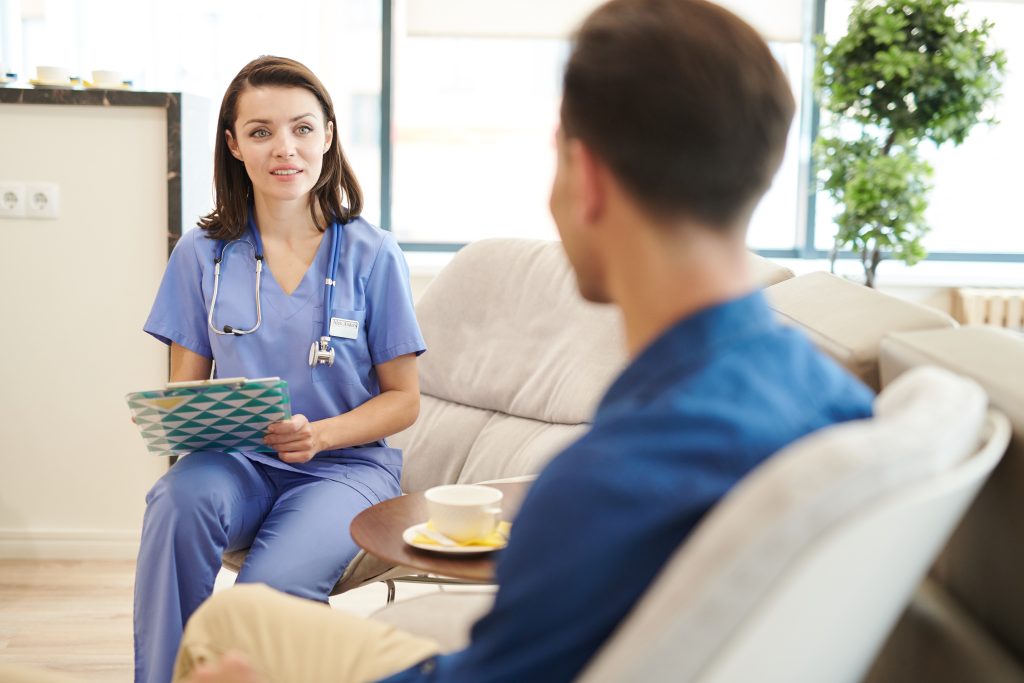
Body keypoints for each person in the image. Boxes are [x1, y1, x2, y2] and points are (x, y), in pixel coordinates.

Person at [172, 1, 876, 681]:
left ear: (589, 179)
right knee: (231, 624)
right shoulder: (836, 402)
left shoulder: (603, 479)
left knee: (225, 639)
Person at [134, 56, 425, 683]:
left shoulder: (375, 255)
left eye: (301, 128)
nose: (284, 148)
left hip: (343, 470)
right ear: (234, 145)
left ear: (327, 135)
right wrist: (182, 421)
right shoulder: (201, 254)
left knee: (264, 601)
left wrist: (318, 435)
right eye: (261, 132)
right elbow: (183, 390)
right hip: (236, 462)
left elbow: (403, 400)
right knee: (175, 503)